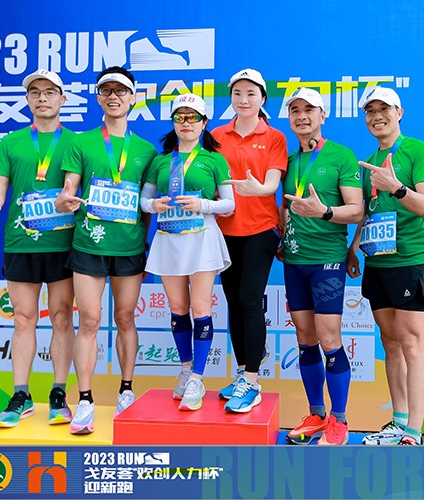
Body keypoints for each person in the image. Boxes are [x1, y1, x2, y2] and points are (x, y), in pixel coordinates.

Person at [55, 66, 156, 434]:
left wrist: (143, 242)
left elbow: (148, 205)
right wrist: (64, 200)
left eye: (121, 91)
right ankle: (84, 400)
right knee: (90, 321)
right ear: (98, 97)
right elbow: (69, 187)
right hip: (89, 244)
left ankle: (126, 391)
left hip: (129, 247)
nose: (114, 97)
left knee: (126, 318)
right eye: (106, 90)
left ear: (133, 98)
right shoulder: (81, 143)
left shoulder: (146, 150)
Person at [0, 69, 76, 428]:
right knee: (23, 318)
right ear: (27, 100)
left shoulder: (76, 143)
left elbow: (75, 187)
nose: (42, 98)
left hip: (64, 244)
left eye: (50, 92)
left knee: (62, 317)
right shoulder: (11, 142)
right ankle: (21, 395)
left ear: (62, 99)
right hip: (21, 242)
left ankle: (59, 393)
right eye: (35, 92)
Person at [347, 86, 424, 446]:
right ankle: (398, 422)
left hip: (411, 258)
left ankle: (414, 431)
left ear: (399, 113)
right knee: (390, 342)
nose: (376, 116)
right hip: (377, 261)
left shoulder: (418, 150)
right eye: (370, 111)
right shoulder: (369, 161)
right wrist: (353, 248)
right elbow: (369, 213)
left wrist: (396, 187)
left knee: (412, 342)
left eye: (383, 109)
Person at [140, 93, 234, 411]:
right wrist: (153, 205)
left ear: (204, 123)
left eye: (192, 117)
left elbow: (229, 203)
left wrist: (202, 204)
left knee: (200, 306)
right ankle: (184, 368)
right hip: (169, 239)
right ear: (173, 123)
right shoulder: (159, 161)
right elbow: (144, 200)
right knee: (178, 307)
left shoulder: (214, 159)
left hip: (202, 239)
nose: (186, 123)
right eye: (180, 117)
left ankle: (198, 377)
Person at [279, 88, 362, 444]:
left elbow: (357, 210)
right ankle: (316, 415)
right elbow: (286, 207)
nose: (301, 116)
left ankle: (339, 421)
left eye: (309, 109)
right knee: (304, 338)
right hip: (294, 260)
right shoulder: (288, 161)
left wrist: (324, 212)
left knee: (329, 338)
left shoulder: (342, 155)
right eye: (294, 110)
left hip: (327, 260)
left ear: (322, 115)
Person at [213, 69, 288, 407]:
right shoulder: (216, 135)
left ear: (262, 99)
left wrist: (258, 188)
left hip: (260, 229)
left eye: (251, 93)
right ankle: (243, 372)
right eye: (237, 93)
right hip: (224, 230)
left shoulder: (273, 136)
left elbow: (272, 184)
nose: (243, 100)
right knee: (233, 302)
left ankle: (253, 382)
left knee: (249, 299)